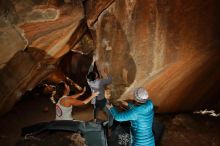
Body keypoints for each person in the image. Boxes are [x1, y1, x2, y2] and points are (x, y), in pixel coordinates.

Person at [86, 56, 112, 122]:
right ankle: (110, 121)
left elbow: (90, 70)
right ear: (95, 77)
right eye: (96, 74)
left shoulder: (88, 79)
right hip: (101, 99)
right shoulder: (99, 81)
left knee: (95, 109)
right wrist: (107, 73)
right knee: (107, 109)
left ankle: (95, 119)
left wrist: (93, 61)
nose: (96, 73)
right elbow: (109, 80)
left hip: (94, 99)